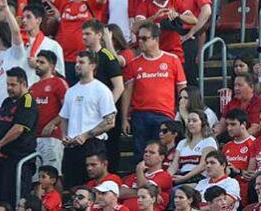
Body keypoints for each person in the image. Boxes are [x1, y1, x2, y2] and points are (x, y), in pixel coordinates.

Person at [121, 22, 187, 160]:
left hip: (165, 114)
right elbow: (127, 92)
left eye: (144, 38)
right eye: (139, 38)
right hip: (140, 115)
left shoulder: (172, 60)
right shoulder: (133, 64)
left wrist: (182, 113)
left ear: (156, 39)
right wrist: (124, 118)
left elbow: (182, 88)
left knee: (162, 153)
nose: (140, 42)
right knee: (141, 153)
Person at [59, 51, 117, 188]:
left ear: (92, 66)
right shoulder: (71, 91)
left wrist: (86, 135)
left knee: (91, 187)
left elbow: (110, 121)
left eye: (82, 62)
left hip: (93, 144)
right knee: (73, 186)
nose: (77, 65)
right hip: (72, 145)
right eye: (76, 62)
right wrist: (64, 136)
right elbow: (63, 118)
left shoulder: (101, 90)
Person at [0, 67, 38, 208]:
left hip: (19, 159)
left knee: (15, 199)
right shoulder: (7, 101)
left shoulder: (28, 101)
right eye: (7, 84)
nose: (9, 88)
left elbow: (18, 128)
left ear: (23, 84)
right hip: (2, 159)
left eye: (13, 85)